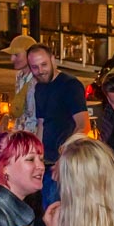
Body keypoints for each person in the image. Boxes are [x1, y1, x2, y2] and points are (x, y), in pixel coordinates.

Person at [27, 43, 90, 205]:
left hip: (65, 165)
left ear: (53, 60)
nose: (40, 71)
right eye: (35, 67)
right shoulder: (39, 88)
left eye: (44, 64)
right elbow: (41, 123)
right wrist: (36, 157)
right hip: (47, 162)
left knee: (59, 210)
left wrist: (64, 158)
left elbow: (83, 125)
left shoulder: (70, 85)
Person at [0, 34, 38, 133]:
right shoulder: (20, 76)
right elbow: (20, 109)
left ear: (30, 55)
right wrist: (7, 116)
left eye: (16, 55)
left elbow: (34, 118)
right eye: (11, 55)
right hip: (20, 134)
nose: (12, 59)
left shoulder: (38, 80)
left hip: (30, 138)